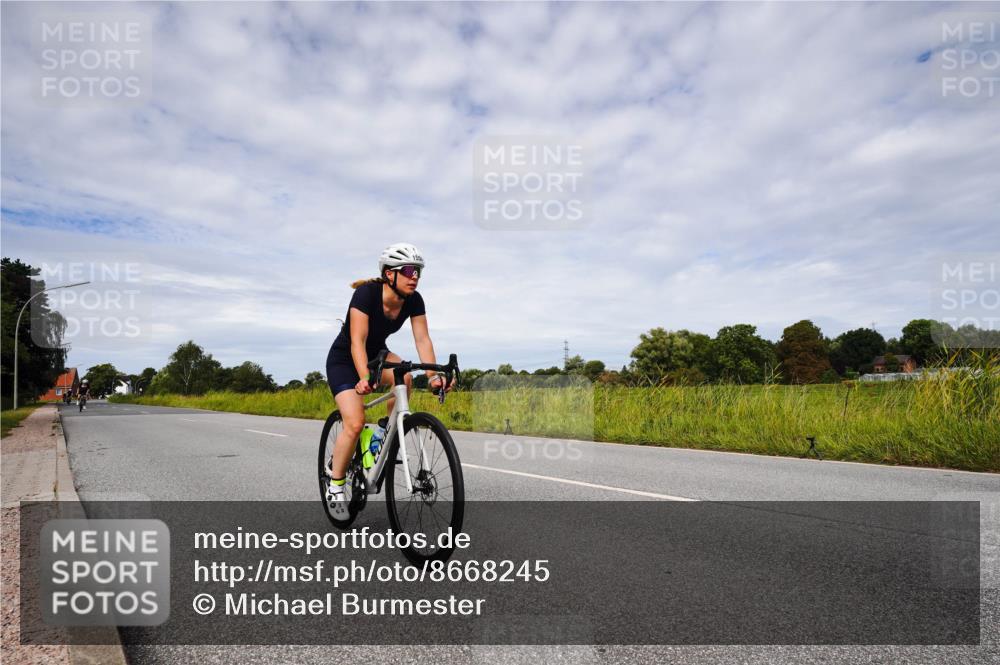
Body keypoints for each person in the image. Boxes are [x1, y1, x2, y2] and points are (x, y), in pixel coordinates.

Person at [324, 243, 454, 519]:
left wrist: (433, 376)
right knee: (355, 422)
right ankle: (335, 485)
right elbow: (357, 341)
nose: (414, 277)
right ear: (389, 274)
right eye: (408, 271)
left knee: (404, 376)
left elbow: (422, 339)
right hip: (345, 360)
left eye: (417, 271)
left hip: (377, 356)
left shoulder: (414, 300)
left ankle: (382, 434)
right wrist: (364, 377)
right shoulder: (366, 294)